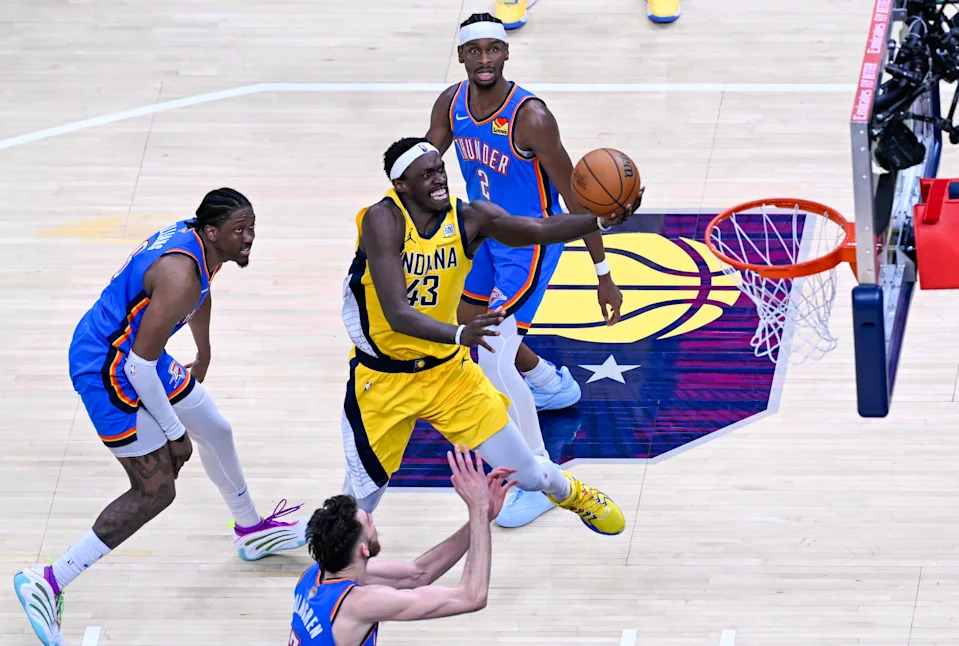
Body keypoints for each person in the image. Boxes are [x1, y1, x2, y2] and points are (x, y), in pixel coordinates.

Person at [14, 189, 308, 646]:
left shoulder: (200, 249)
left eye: (252, 227)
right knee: (156, 490)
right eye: (240, 230)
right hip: (107, 367)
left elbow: (200, 292)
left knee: (216, 429)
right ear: (211, 232)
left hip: (138, 349)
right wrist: (174, 434)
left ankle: (250, 531)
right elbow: (137, 367)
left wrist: (203, 352)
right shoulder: (179, 275)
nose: (249, 238)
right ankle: (48, 581)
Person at [339, 136, 641, 537]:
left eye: (440, 169)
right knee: (360, 505)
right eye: (425, 174)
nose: (438, 180)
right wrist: (459, 332)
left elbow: (535, 228)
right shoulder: (383, 221)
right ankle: (300, 543)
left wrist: (598, 221)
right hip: (384, 380)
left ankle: (573, 493)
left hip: (449, 377)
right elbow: (396, 312)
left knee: (530, 474)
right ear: (402, 186)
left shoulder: (469, 218)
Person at [425, 13, 626, 528]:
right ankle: (548, 382)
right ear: (462, 55)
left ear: (507, 54)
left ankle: (540, 475)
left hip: (530, 246)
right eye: (476, 51)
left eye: (496, 49)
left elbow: (578, 200)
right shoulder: (451, 103)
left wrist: (603, 272)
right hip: (485, 234)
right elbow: (426, 159)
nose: (486, 59)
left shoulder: (531, 117)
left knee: (490, 354)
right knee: (465, 329)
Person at [290, 445, 516, 645]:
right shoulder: (357, 604)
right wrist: (477, 507)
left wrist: (482, 518)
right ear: (363, 550)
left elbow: (417, 574)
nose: (372, 519)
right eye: (368, 522)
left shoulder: (314, 575)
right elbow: (471, 597)